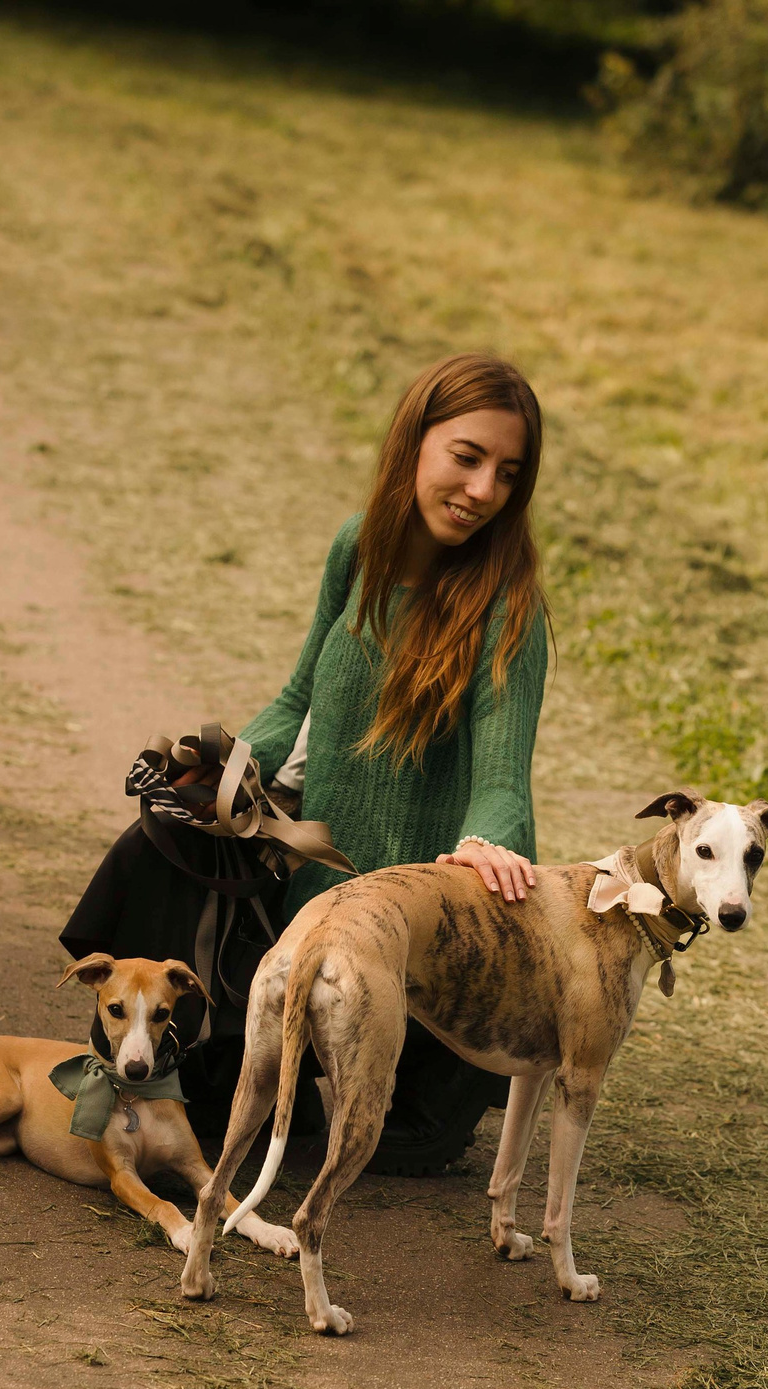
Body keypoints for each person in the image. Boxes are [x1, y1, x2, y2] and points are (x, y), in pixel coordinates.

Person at [239, 351, 552, 1174]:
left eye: (508, 473)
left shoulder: (509, 606)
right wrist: (220, 765)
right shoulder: (358, 550)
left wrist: (491, 839)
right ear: (415, 442)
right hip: (315, 930)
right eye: (467, 456)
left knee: (386, 1149)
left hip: (425, 964)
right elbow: (295, 696)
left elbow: (501, 773)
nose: (485, 490)